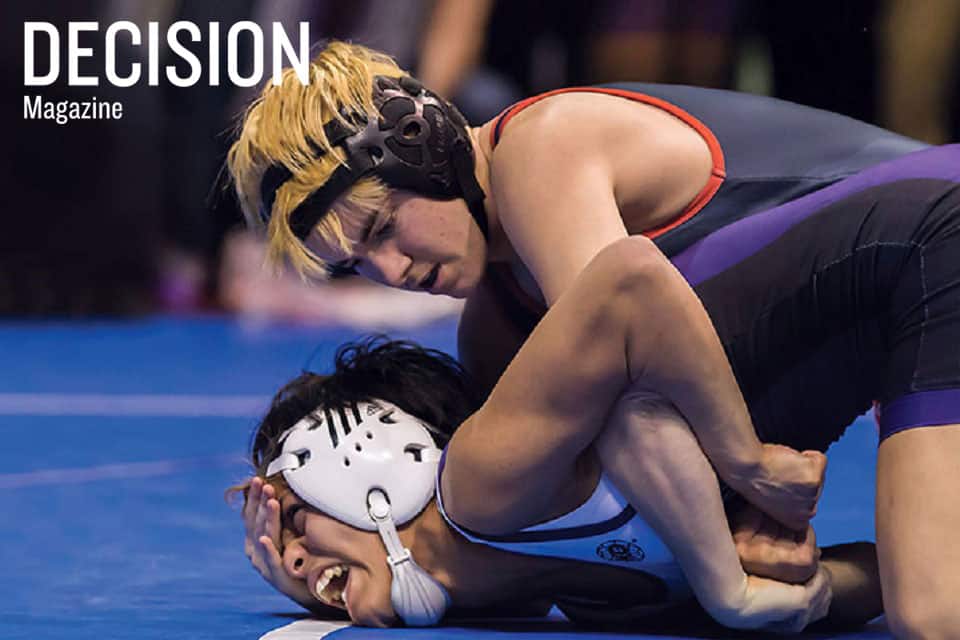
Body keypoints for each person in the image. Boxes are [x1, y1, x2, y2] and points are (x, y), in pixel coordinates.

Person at [227, 42, 960, 636]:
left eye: (384, 229)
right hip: (898, 305)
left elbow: (630, 299)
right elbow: (517, 555)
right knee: (925, 596)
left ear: (421, 142)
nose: (392, 272)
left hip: (935, 238)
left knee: (925, 613)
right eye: (359, 265)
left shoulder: (539, 150)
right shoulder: (495, 324)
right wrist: (338, 571)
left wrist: (739, 482)